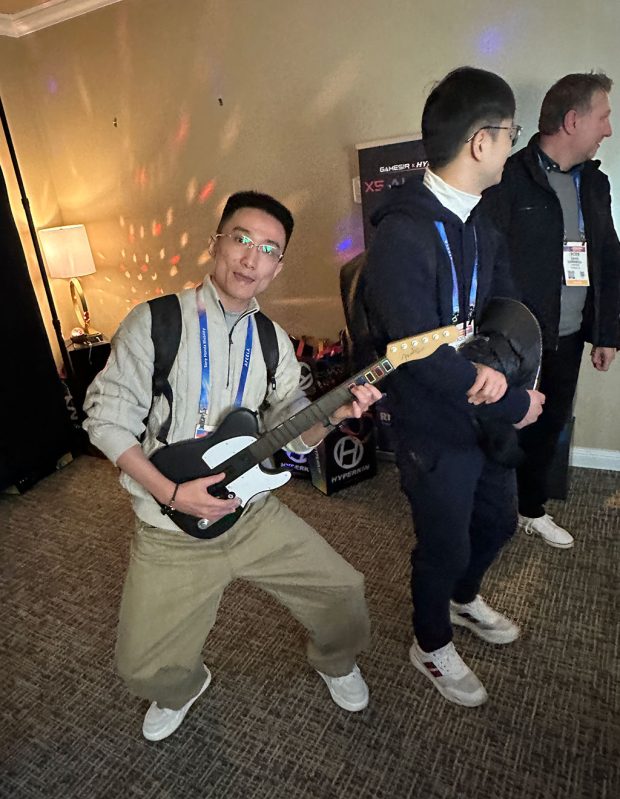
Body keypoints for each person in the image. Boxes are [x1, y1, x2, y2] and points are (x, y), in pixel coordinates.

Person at [83, 191, 381, 741]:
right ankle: (185, 685)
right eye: (241, 239)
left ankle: (334, 660)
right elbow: (106, 420)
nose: (251, 258)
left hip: (252, 512)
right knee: (140, 668)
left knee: (344, 592)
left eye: (268, 249)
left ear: (277, 267)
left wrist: (334, 415)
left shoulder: (272, 342)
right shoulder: (156, 321)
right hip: (169, 527)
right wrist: (173, 495)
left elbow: (292, 430)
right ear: (215, 243)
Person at [362, 67, 545, 707]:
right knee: (444, 542)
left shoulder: (480, 222)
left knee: (496, 523)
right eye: (511, 133)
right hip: (431, 420)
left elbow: (502, 306)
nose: (513, 144)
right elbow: (413, 356)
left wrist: (506, 371)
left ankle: (463, 600)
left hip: (480, 412)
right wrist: (512, 400)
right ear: (480, 141)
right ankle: (430, 641)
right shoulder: (402, 235)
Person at [482, 72, 620, 549]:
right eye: (603, 117)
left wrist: (607, 333)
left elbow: (608, 260)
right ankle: (489, 514)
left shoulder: (595, 184)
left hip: (570, 336)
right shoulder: (507, 178)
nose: (608, 129)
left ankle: (530, 508)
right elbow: (485, 264)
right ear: (573, 120)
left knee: (548, 427)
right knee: (501, 429)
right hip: (516, 344)